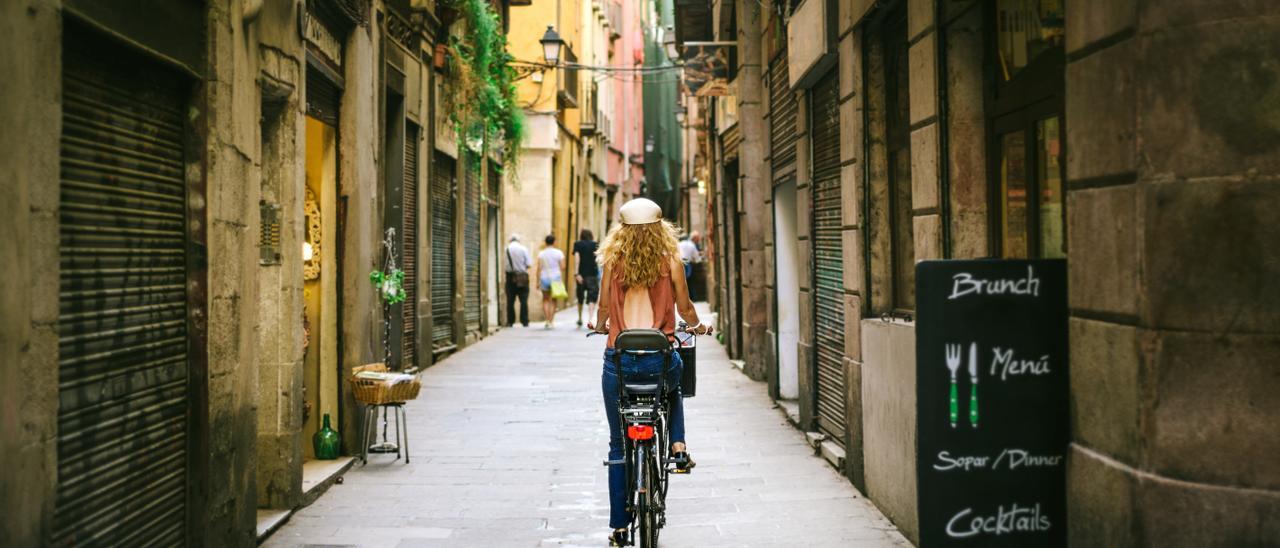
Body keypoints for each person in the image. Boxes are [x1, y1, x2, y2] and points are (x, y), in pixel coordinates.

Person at [590, 198, 712, 546]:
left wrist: (600, 325)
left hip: (620, 361)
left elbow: (602, 308)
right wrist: (699, 326)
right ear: (661, 229)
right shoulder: (671, 260)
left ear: (622, 232)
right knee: (675, 384)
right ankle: (677, 445)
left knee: (617, 444)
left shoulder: (613, 262)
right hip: (659, 360)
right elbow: (686, 307)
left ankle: (618, 527)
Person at [534, 233, 566, 329]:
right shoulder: (559, 253)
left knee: (545, 299)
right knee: (553, 300)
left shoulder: (541, 254)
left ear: (545, 242)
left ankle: (547, 320)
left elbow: (539, 268)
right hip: (555, 278)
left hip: (544, 278)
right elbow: (563, 267)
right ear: (554, 242)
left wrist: (537, 281)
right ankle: (551, 320)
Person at [572, 229, 600, 328]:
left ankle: (579, 318)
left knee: (580, 297)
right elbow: (598, 259)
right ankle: (590, 319)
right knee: (592, 297)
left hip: (581, 275)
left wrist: (576, 273)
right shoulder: (595, 244)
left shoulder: (577, 244)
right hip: (592, 274)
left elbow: (577, 259)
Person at [504, 233, 533, 327]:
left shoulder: (506, 249)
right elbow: (528, 264)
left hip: (510, 277)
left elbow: (504, 264)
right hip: (522, 277)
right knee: (524, 300)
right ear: (518, 240)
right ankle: (524, 321)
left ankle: (510, 321)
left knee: (510, 300)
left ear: (510, 240)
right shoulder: (523, 249)